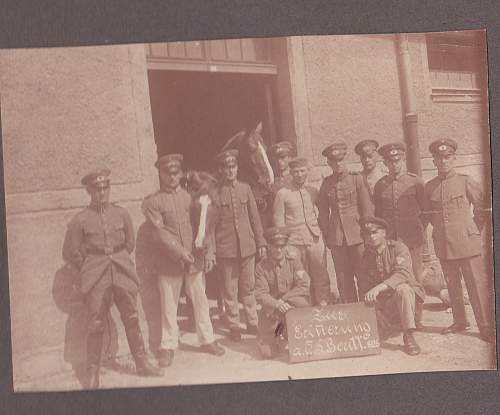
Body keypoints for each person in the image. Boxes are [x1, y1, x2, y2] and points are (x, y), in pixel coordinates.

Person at [64, 168, 162, 389]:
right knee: (96, 322)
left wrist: (117, 256)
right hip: (95, 273)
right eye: (97, 188)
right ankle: (92, 374)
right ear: (89, 191)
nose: (102, 192)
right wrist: (88, 266)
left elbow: (129, 242)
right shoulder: (80, 220)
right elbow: (71, 252)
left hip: (121, 269)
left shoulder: (121, 214)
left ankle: (142, 362)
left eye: (105, 187)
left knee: (131, 315)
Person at [141, 154, 225, 368]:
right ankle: (168, 346)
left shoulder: (191, 197)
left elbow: (204, 226)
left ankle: (207, 339)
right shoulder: (153, 202)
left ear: (180, 173)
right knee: (169, 305)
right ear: (160, 174)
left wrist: (207, 252)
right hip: (169, 261)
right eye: (167, 173)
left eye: (176, 172)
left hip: (194, 259)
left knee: (201, 300)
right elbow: (159, 233)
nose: (172, 177)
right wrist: (179, 252)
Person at [424, 139, 494, 342]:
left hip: (467, 242)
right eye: (439, 158)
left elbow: (482, 208)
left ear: (454, 158)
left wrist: (471, 229)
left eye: (447, 157)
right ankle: (460, 320)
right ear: (434, 161)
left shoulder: (465, 181)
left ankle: (485, 326)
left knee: (476, 286)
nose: (444, 161)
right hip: (444, 244)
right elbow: (430, 215)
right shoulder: (430, 187)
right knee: (452, 284)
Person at [212, 149, 267, 341]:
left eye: (233, 167)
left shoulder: (245, 189)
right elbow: (212, 224)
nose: (230, 171)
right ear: (221, 170)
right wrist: (213, 249)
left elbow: (255, 217)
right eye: (226, 168)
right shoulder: (216, 193)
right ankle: (234, 325)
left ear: (237, 168)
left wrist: (261, 242)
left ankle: (252, 322)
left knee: (249, 287)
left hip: (247, 247)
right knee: (230, 289)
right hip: (226, 249)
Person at [373, 142, 426, 326]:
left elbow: (425, 212)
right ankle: (398, 315)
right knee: (394, 276)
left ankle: (416, 318)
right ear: (385, 164)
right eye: (390, 161)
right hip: (392, 242)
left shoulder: (415, 181)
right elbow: (378, 215)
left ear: (403, 159)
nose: (394, 164)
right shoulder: (380, 186)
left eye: (397, 160)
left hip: (412, 239)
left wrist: (417, 229)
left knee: (416, 278)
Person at [359, 216, 425, 356]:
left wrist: (377, 288)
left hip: (409, 305)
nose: (371, 237)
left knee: (403, 289)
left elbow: (402, 274)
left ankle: (409, 336)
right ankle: (387, 324)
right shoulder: (367, 256)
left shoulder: (398, 248)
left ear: (384, 233)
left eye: (375, 232)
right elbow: (365, 285)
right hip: (388, 305)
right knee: (368, 298)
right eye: (367, 234)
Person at [318, 140, 373, 303]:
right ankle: (350, 314)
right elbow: (322, 212)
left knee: (363, 275)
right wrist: (328, 235)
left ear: (345, 160)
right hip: (337, 238)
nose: (338, 164)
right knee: (343, 278)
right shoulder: (326, 184)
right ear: (329, 163)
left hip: (358, 236)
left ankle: (367, 313)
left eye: (341, 160)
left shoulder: (357, 179)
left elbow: (367, 209)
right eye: (334, 161)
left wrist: (368, 233)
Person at [273, 157, 331, 305]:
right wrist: (284, 245)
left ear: (307, 171)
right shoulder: (282, 194)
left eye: (302, 171)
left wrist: (321, 229)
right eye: (296, 172)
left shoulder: (313, 190)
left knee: (321, 275)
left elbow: (323, 211)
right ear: (291, 173)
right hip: (294, 242)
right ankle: (304, 309)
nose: (299, 175)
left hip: (315, 239)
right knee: (300, 277)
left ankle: (323, 306)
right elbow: (279, 222)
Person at [255, 226, 311, 359]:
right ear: (268, 246)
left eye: (282, 246)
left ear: (286, 246)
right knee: (268, 354)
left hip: (289, 307)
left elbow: (304, 285)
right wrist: (276, 304)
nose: (279, 250)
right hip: (272, 312)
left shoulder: (294, 262)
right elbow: (260, 294)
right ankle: (269, 336)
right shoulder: (261, 267)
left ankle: (288, 333)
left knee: (302, 303)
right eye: (275, 246)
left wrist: (284, 300)